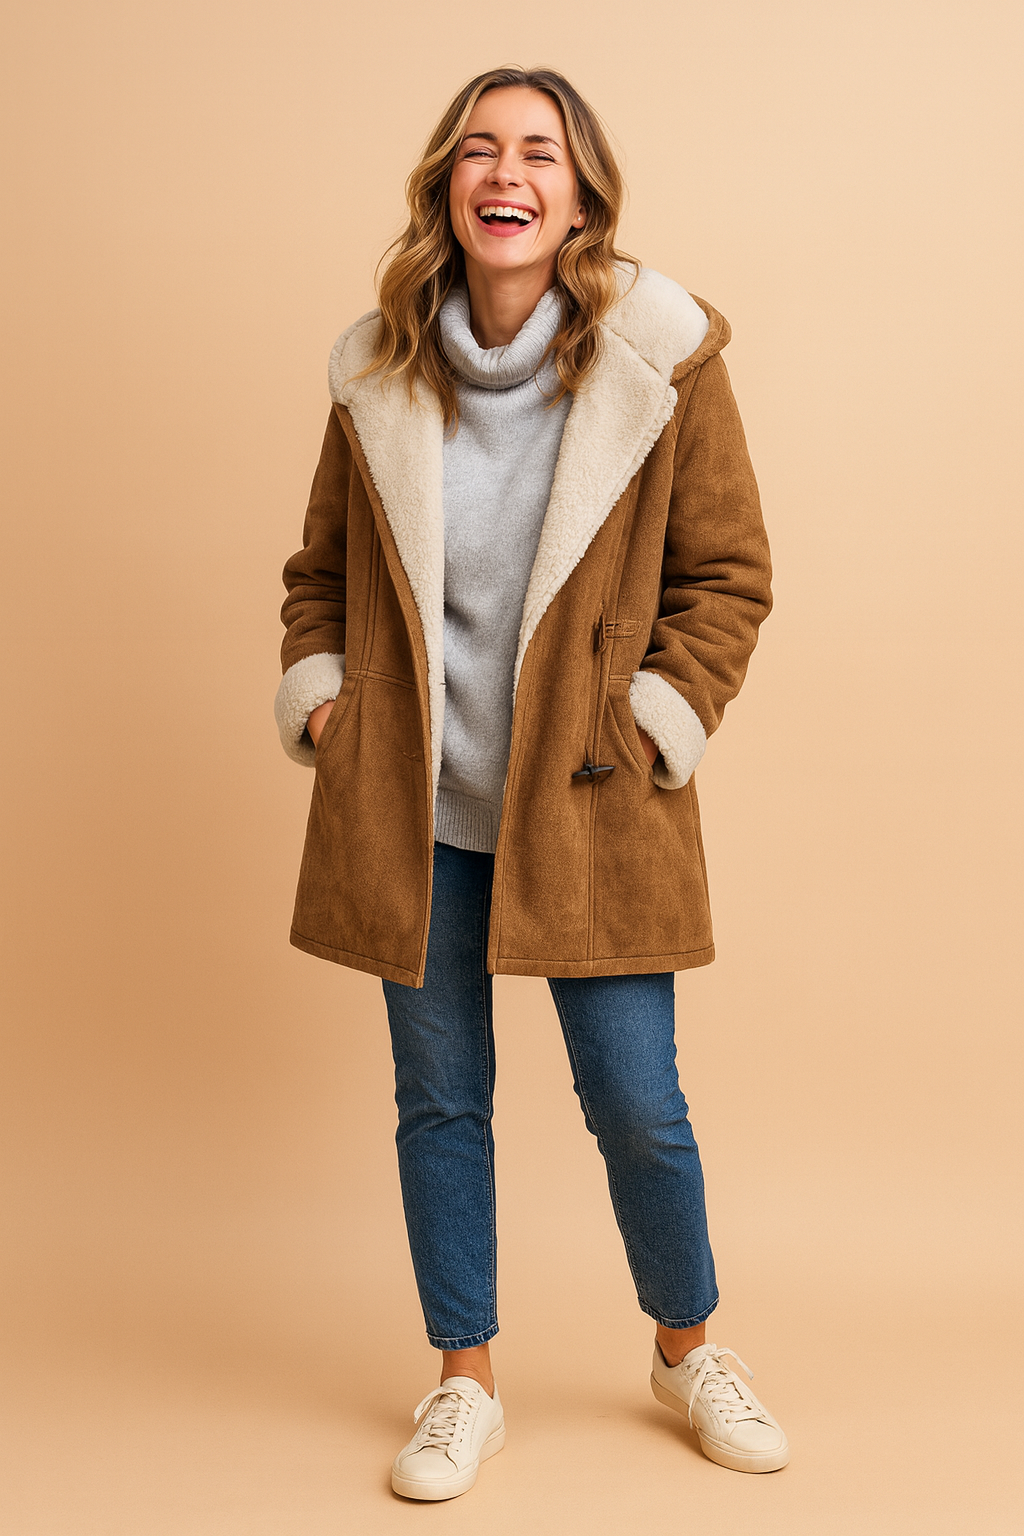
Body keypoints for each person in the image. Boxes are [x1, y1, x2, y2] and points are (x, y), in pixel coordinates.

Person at [274, 65, 788, 1501]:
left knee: (637, 1103)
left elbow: (729, 576)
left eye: (540, 153)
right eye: (481, 150)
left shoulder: (662, 361)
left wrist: (656, 718)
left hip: (592, 799)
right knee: (440, 1104)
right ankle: (465, 1381)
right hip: (420, 808)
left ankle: (688, 1350)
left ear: (580, 197)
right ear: (448, 187)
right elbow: (319, 575)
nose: (508, 173)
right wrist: (328, 705)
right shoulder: (375, 374)